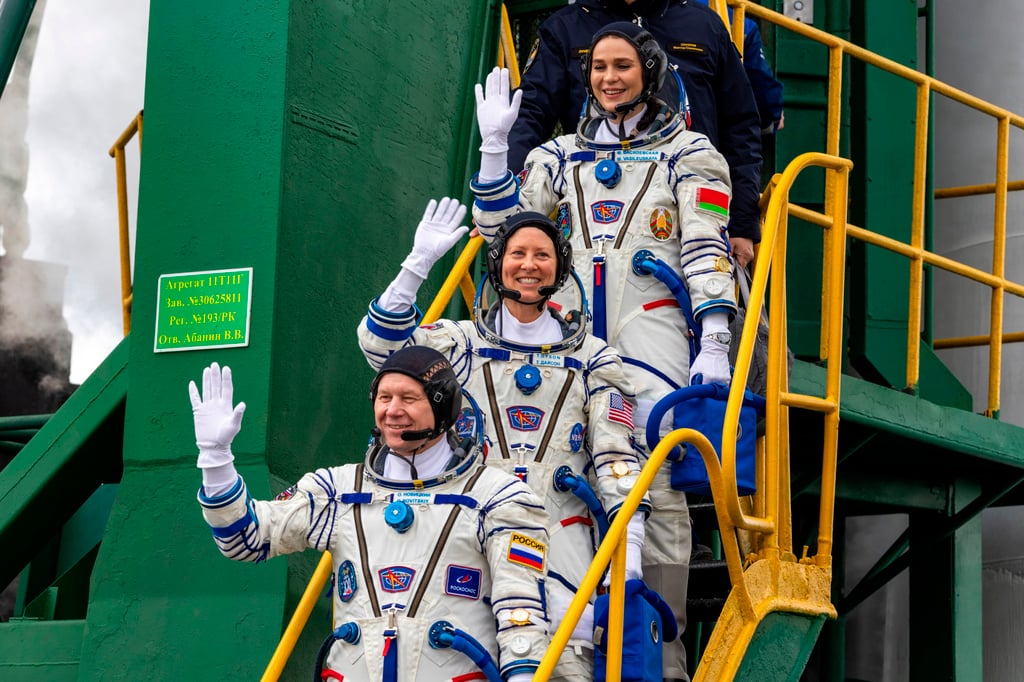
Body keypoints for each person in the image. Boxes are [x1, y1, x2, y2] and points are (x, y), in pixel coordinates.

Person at [471, 22, 739, 682]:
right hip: (567, 341)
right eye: (597, 67)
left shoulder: (691, 154)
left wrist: (713, 338)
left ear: (649, 70)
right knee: (564, 481)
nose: (608, 77)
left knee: (659, 489)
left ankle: (660, 652)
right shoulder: (555, 160)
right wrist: (496, 153)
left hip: (654, 343)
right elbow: (502, 239)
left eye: (622, 65)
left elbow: (706, 249)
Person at [357, 197, 650, 681]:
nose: (528, 266)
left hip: (561, 533)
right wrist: (417, 264)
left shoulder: (596, 359)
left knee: (563, 659)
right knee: (460, 655)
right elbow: (382, 350)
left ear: (560, 267)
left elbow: (617, 461)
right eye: (517, 254)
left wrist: (630, 559)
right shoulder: (461, 343)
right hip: (465, 525)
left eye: (542, 255)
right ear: (497, 264)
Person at [189, 349, 550, 682]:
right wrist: (216, 461)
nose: (392, 410)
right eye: (383, 398)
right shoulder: (338, 490)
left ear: (445, 407)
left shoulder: (498, 498)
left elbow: (522, 617)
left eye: (409, 398)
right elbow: (245, 541)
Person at [507, 0, 763, 268]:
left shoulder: (704, 25)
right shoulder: (564, 28)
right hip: (592, 226)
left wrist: (742, 222)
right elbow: (529, 117)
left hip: (691, 220)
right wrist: (505, 201)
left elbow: (740, 124)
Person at [691, 0, 784, 135]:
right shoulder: (738, 22)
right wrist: (772, 116)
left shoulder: (657, 11)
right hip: (709, 133)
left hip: (659, 122)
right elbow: (760, 81)